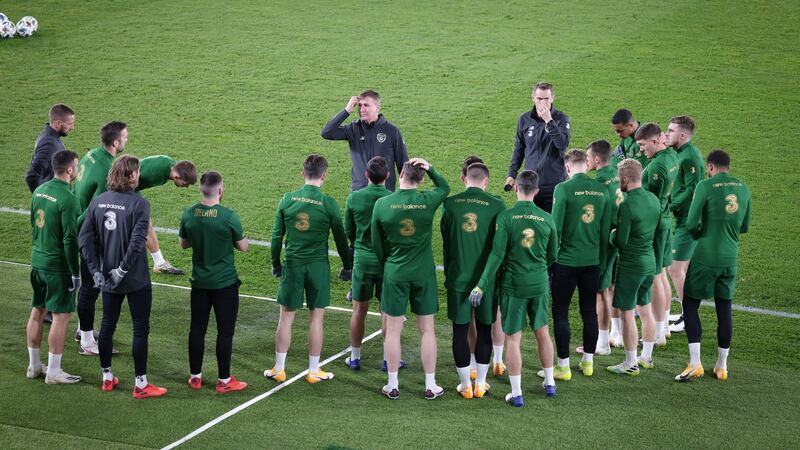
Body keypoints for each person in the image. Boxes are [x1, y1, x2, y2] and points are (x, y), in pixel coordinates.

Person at [79, 155, 167, 398]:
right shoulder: (140, 204)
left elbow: (84, 239)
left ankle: (107, 378)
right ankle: (141, 384)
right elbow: (138, 241)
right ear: (131, 176)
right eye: (137, 172)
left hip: (106, 277)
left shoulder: (98, 201)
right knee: (140, 329)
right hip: (135, 278)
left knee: (107, 325)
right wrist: (122, 270)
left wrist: (97, 271)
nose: (139, 176)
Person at [470, 170, 558, 405]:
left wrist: (481, 285)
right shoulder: (548, 218)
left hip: (513, 285)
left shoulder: (506, 217)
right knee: (543, 333)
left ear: (516, 188)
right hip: (539, 283)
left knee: (513, 339)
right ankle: (550, 383)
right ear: (537, 191)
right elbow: (553, 255)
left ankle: (517, 393)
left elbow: (497, 255)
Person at [265, 155, 352, 385]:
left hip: (293, 265)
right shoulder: (329, 203)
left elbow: (276, 236)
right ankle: (313, 370)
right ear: (324, 175)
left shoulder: (287, 199)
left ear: (302, 173)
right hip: (318, 267)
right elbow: (341, 240)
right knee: (316, 319)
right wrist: (348, 265)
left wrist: (275, 262)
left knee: (286, 319)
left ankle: (279, 369)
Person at [371, 158, 449, 400]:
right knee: (427, 330)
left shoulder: (382, 204)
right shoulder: (427, 201)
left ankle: (392, 385)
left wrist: (390, 262)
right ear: (421, 178)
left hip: (395, 271)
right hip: (424, 272)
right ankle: (430, 385)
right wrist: (432, 167)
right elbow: (445, 188)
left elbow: (376, 243)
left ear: (400, 174)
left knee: (393, 331)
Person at [675, 149, 750, 382]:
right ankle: (722, 366)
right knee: (724, 309)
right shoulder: (743, 187)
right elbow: (745, 226)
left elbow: (690, 223)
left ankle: (695, 363)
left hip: (706, 256)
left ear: (710, 167)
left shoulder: (705, 187)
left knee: (690, 303)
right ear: (728, 166)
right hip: (730, 258)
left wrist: (702, 233)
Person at [440, 158, 505, 399]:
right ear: (486, 181)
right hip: (487, 282)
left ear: (464, 179)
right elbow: (500, 249)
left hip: (458, 278)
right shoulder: (498, 206)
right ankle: (482, 384)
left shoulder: (450, 204)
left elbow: (446, 242)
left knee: (459, 330)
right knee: (485, 330)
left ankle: (466, 385)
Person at [179, 171, 249, 393]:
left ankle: (195, 377)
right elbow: (243, 247)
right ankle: (224, 380)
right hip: (224, 284)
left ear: (201, 189)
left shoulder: (189, 214)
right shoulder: (228, 216)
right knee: (224, 332)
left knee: (197, 330)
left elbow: (184, 243)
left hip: (199, 283)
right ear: (220, 190)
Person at [547, 149, 611, 380]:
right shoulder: (603, 190)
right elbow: (605, 232)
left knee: (561, 312)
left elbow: (555, 229)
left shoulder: (563, 189)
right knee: (589, 311)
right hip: (592, 262)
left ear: (567, 166)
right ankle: (588, 363)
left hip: (565, 262)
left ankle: (563, 367)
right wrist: (602, 263)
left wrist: (550, 261)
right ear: (587, 163)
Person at [26, 150, 82, 384]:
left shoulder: (39, 190)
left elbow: (32, 224)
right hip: (57, 266)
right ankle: (54, 372)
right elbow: (70, 240)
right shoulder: (69, 199)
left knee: (37, 310)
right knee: (61, 316)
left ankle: (34, 366)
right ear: (69, 170)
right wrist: (75, 272)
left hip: (37, 261)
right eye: (76, 167)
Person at [73, 121, 128, 355]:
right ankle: (86, 342)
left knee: (88, 286)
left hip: (78, 222)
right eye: (124, 137)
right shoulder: (108, 168)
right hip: (88, 234)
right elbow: (96, 208)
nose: (126, 140)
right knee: (90, 287)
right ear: (115, 142)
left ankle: (81, 330)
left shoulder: (91, 154)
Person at [606, 160, 660, 377]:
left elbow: (621, 241)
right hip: (650, 262)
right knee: (645, 309)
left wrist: (611, 235)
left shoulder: (627, 204)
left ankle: (630, 362)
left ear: (626, 179)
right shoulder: (654, 200)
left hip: (631, 265)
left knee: (627, 313)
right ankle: (646, 357)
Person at [343, 156, 396, 371]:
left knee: (359, 310)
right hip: (387, 263)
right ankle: (387, 359)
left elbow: (349, 230)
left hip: (362, 261)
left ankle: (355, 357)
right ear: (388, 176)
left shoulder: (354, 198)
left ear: (366, 175)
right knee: (387, 313)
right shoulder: (393, 199)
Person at [636, 122, 679, 354]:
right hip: (665, 221)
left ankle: (659, 331)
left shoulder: (655, 168)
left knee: (654, 276)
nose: (642, 150)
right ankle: (664, 327)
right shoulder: (672, 157)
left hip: (655, 224)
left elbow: (648, 203)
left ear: (655, 141)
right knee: (661, 274)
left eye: (643, 145)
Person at [583, 140, 625, 354]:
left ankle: (602, 343)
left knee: (601, 291)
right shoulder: (618, 174)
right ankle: (615, 334)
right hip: (620, 235)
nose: (587, 161)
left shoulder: (597, 182)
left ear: (597, 159)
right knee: (610, 287)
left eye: (588, 158)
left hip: (605, 241)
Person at [321, 90, 409, 191]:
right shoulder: (353, 129)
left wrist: (406, 193)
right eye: (360, 105)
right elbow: (326, 133)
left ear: (377, 108)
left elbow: (403, 164)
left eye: (366, 105)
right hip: (359, 192)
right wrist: (347, 110)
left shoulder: (391, 131)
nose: (361, 109)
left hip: (385, 193)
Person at [664, 116, 704, 333]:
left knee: (675, 268)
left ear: (682, 135)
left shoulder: (689, 157)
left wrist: (669, 204)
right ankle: (685, 313)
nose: (666, 133)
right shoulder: (680, 153)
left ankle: (689, 317)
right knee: (683, 268)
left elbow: (693, 189)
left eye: (670, 131)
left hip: (689, 221)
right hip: (683, 218)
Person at [505, 81, 571, 213]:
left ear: (552, 98)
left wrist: (549, 121)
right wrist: (512, 174)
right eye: (539, 98)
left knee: (550, 225)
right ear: (533, 98)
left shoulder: (561, 119)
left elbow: (562, 145)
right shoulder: (524, 119)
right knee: (528, 226)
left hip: (553, 185)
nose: (543, 102)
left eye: (546, 98)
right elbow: (519, 148)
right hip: (529, 185)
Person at [137, 155, 198, 275]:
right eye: (185, 184)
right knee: (140, 224)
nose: (186, 187)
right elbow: (125, 178)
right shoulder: (154, 173)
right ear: (177, 177)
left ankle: (159, 263)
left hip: (130, 188)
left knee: (145, 222)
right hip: (119, 187)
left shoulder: (172, 167)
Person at [25, 104, 76, 193]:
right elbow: (32, 176)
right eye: (70, 124)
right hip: (51, 198)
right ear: (58, 123)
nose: (72, 127)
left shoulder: (51, 137)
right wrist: (41, 198)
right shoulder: (49, 143)